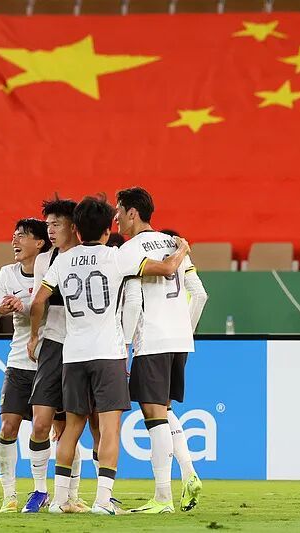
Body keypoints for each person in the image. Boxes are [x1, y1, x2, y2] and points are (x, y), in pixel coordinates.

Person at [28, 195, 190, 515]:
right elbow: (167, 268)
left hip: (73, 353)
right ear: (106, 231)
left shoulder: (62, 261)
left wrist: (34, 336)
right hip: (108, 353)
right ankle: (103, 500)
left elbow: (37, 302)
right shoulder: (116, 257)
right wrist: (182, 248)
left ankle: (60, 500)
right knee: (109, 428)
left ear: (77, 229)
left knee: (71, 427)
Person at [116, 187, 208, 513]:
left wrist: (125, 345)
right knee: (165, 411)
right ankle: (189, 472)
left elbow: (132, 301)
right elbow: (200, 294)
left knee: (153, 416)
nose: (116, 220)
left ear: (132, 213)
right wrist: (185, 329)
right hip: (180, 340)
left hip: (152, 340)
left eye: (119, 212)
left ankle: (162, 497)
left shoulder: (130, 250)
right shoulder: (175, 242)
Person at [23, 197, 100, 513]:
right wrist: (34, 336)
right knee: (41, 423)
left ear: (73, 226)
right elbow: (37, 303)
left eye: (56, 224)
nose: (51, 230)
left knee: (81, 424)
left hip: (84, 347)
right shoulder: (45, 261)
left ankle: (77, 495)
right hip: (54, 345)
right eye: (48, 225)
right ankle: (40, 490)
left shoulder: (91, 257)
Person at [0, 218, 51, 513]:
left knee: (49, 428)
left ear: (40, 243)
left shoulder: (53, 270)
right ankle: (9, 494)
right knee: (8, 426)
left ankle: (55, 492)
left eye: (22, 236)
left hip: (50, 361)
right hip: (18, 362)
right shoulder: (7, 273)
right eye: (14, 235)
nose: (15, 241)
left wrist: (26, 306)